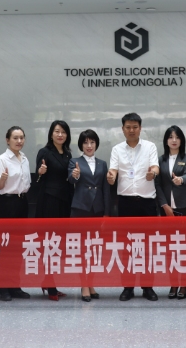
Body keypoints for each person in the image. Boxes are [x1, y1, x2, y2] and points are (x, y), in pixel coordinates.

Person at [107, 112, 160, 302]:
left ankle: (148, 287)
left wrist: (153, 174)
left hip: (147, 203)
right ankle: (128, 287)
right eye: (128, 127)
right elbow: (113, 170)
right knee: (127, 248)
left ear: (140, 128)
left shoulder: (150, 147)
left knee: (148, 248)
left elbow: (155, 167)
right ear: (122, 129)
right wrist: (111, 176)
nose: (131, 130)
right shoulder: (117, 149)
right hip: (126, 203)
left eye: (135, 127)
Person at [34, 120, 74, 300]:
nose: (60, 135)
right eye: (57, 131)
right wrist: (40, 172)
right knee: (49, 244)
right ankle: (50, 285)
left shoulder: (67, 154)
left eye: (63, 132)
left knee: (59, 245)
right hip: (49, 202)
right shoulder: (45, 152)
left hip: (65, 202)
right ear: (51, 134)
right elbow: (38, 178)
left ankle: (49, 281)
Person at [69, 129, 110, 302]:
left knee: (93, 249)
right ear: (81, 145)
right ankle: (84, 284)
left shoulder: (102, 164)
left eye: (92, 142)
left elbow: (106, 189)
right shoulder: (75, 161)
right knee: (81, 249)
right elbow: (71, 179)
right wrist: (75, 175)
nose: (89, 145)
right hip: (81, 209)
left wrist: (107, 213)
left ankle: (91, 283)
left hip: (97, 210)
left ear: (96, 144)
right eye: (85, 142)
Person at [0, 126, 32, 302]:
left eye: (21, 137)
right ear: (7, 140)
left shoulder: (25, 159)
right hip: (6, 204)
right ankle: (2, 288)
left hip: (22, 203)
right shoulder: (2, 160)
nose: (19, 141)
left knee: (17, 247)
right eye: (15, 138)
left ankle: (15, 286)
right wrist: (2, 179)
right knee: (4, 248)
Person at [156, 125, 186, 299]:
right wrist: (164, 205)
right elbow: (157, 184)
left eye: (177, 137)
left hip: (185, 208)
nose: (174, 140)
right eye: (170, 137)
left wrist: (181, 180)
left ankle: (185, 285)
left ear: (181, 140)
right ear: (166, 140)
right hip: (167, 210)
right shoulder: (161, 160)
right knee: (171, 249)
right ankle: (173, 283)